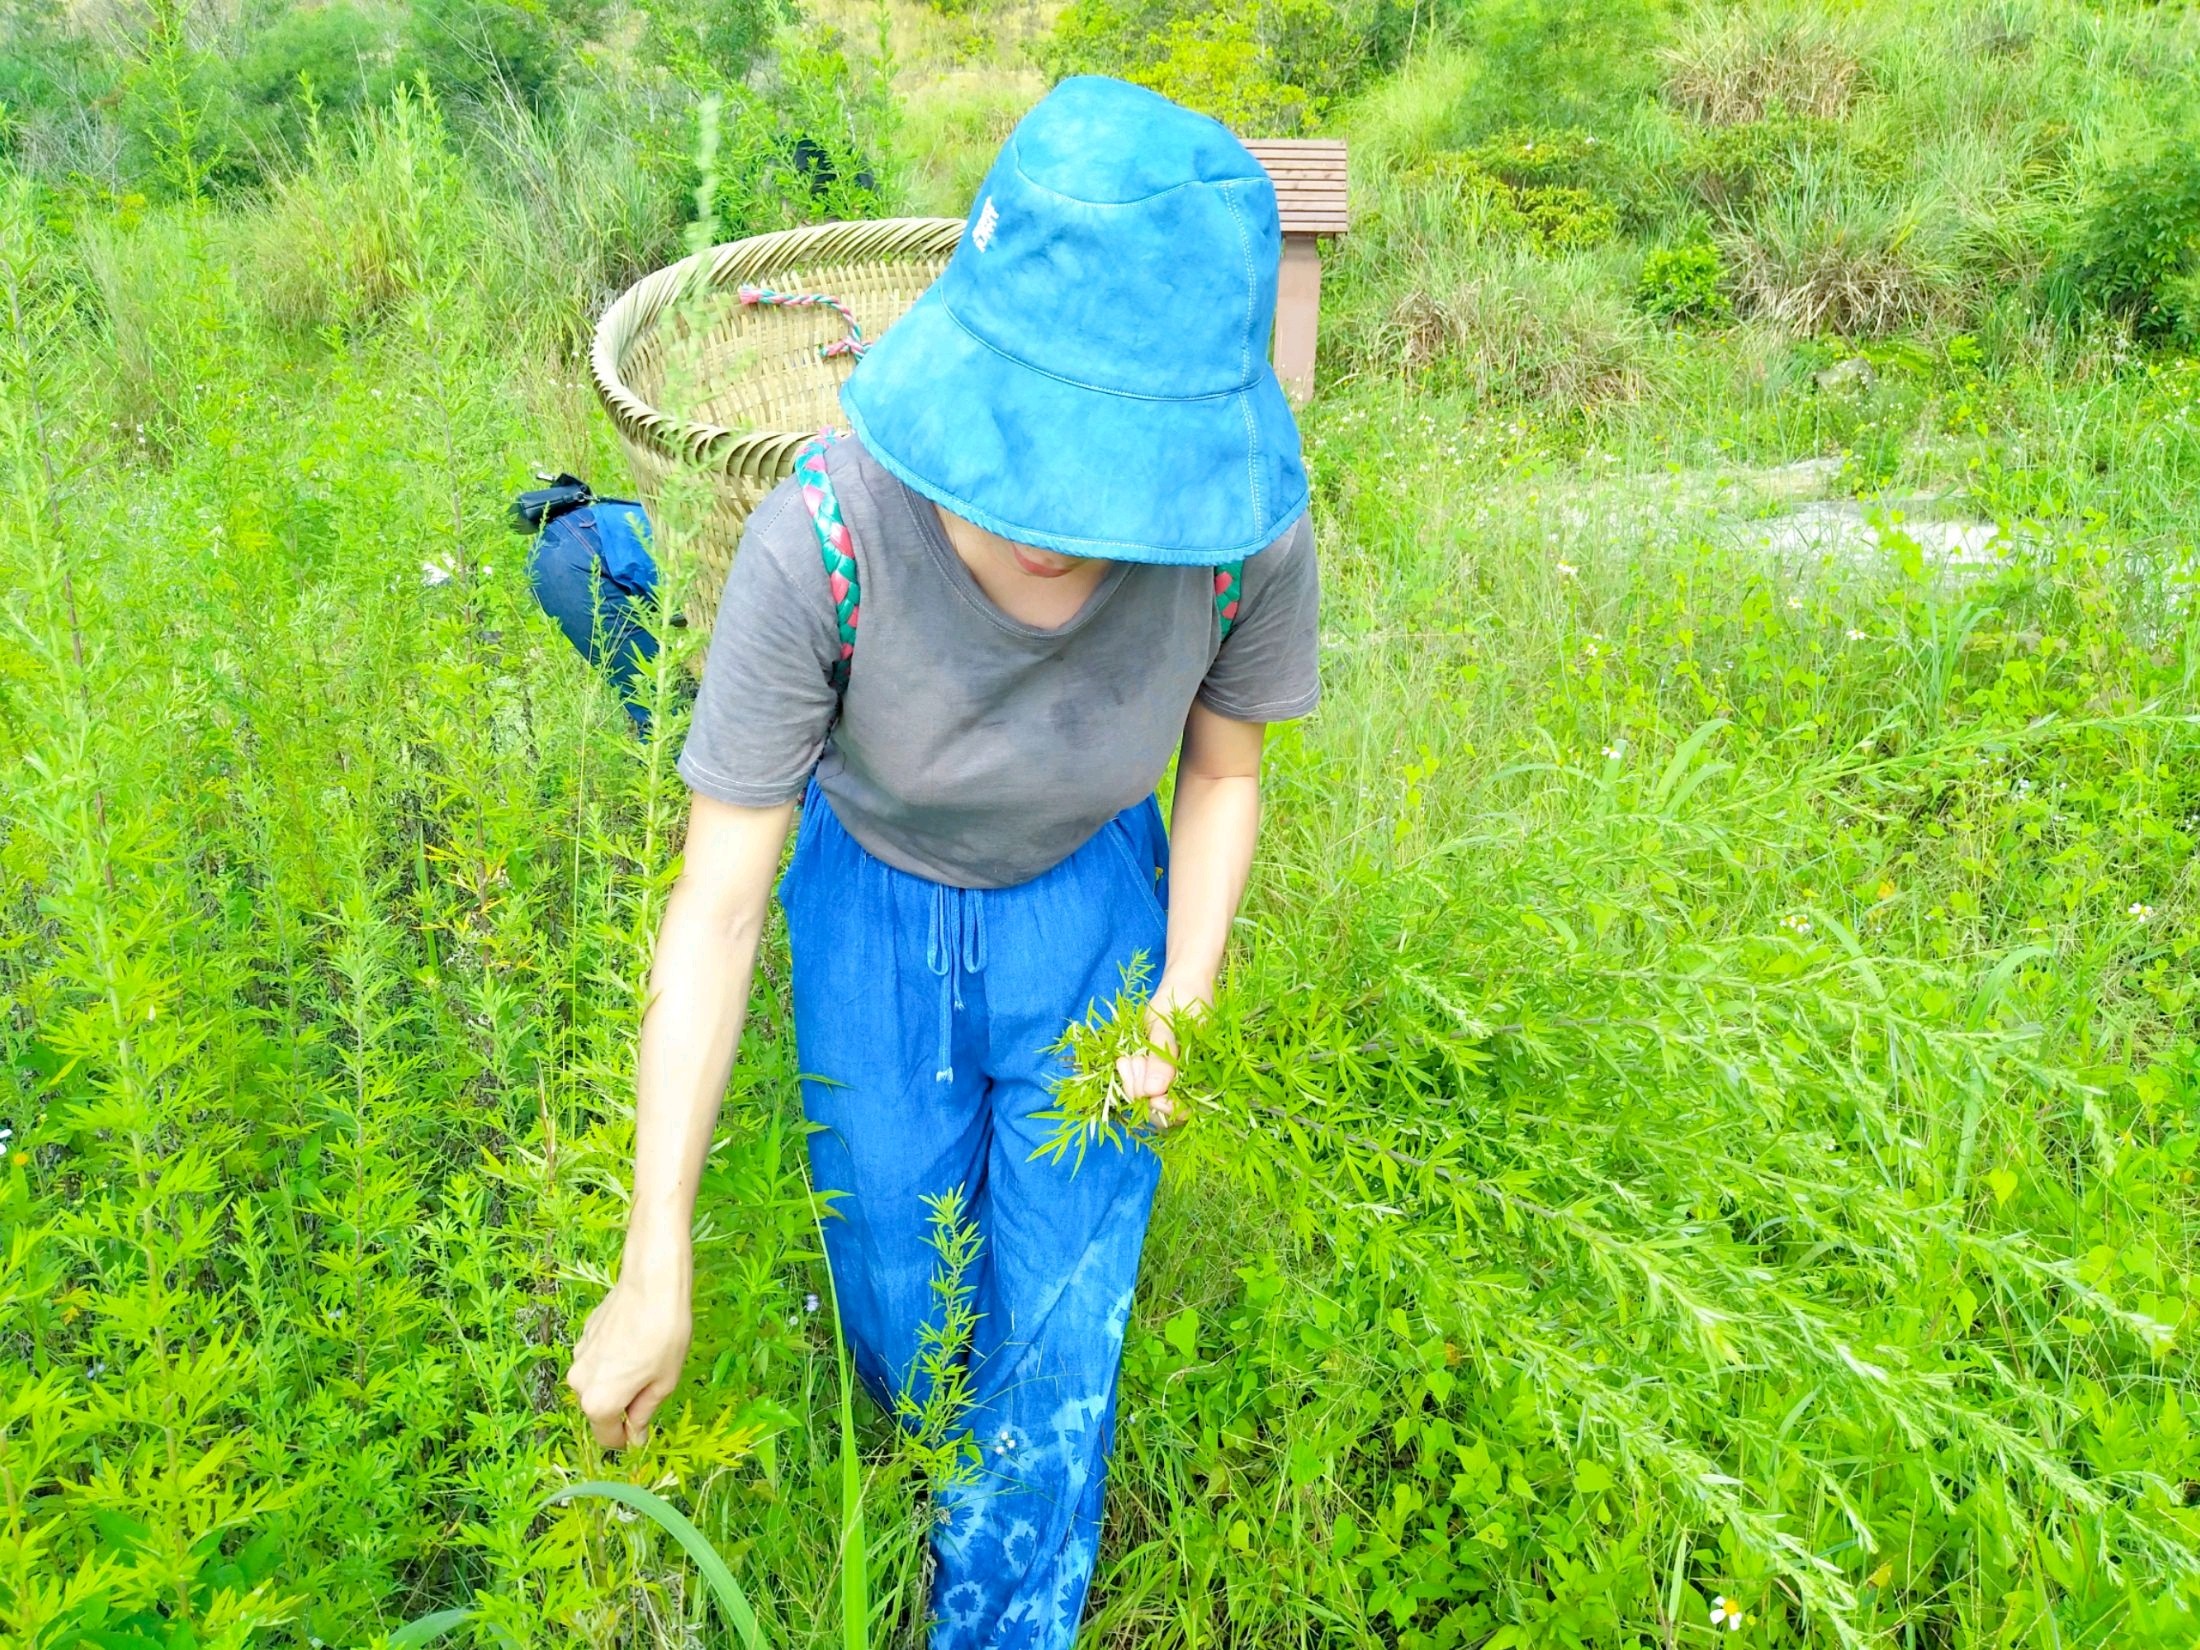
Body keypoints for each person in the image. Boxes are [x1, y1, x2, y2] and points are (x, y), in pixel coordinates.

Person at [563, 75, 1320, 1649]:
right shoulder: (826, 541)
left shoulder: (1240, 538)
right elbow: (717, 904)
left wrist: (1184, 988)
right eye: (1028, 438)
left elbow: (1224, 766)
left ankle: (1004, 1611)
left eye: (1107, 463)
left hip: (1092, 917)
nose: (1055, 516)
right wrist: (654, 1250)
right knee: (907, 1312)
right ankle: (929, 1472)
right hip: (874, 914)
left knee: (1058, 1330)